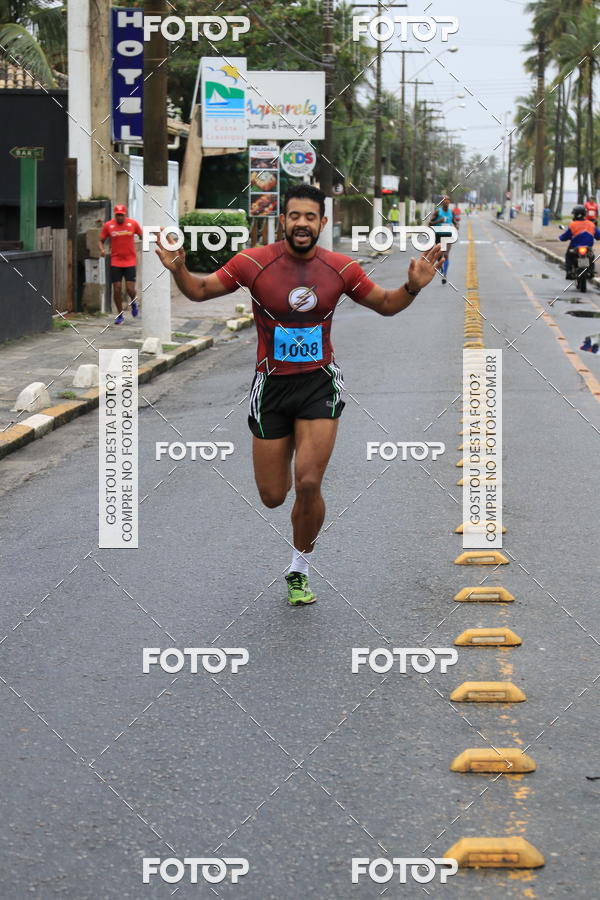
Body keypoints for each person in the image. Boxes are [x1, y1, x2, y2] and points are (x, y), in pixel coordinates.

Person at [155, 184, 443, 606]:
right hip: (271, 388)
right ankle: (288, 498)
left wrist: (412, 287)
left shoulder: (340, 267)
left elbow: (384, 303)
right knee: (273, 496)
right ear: (283, 220)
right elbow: (199, 291)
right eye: (295, 216)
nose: (302, 223)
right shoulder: (253, 262)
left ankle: (299, 568)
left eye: (310, 217)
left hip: (318, 384)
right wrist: (179, 269)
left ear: (322, 222)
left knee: (308, 481)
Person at [99, 204, 143, 324]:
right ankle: (119, 315)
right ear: (115, 215)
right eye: (117, 215)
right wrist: (102, 249)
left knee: (130, 289)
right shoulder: (108, 225)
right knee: (117, 289)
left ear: (125, 214)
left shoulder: (133, 224)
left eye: (121, 215)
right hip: (116, 261)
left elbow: (141, 235)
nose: (119, 217)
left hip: (130, 260)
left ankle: (133, 302)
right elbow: (101, 240)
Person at [559, 204, 600, 278]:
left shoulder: (572, 225)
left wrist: (561, 237)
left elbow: (565, 236)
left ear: (575, 214)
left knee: (568, 256)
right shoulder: (591, 224)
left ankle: (569, 271)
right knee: (592, 256)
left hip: (574, 247)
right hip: (588, 247)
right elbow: (598, 235)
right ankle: (591, 271)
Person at [429, 197, 458, 284]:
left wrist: (456, 225)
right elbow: (430, 223)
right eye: (444, 201)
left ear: (449, 203)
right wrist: (439, 221)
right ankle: (441, 267)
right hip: (438, 235)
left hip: (448, 235)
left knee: (446, 255)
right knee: (439, 255)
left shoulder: (451, 212)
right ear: (442, 202)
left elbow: (454, 221)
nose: (446, 202)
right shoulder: (438, 212)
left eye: (448, 201)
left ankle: (444, 275)